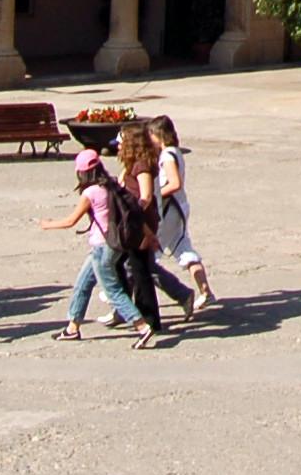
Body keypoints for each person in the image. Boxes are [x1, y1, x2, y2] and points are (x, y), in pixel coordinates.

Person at [41, 149, 156, 346]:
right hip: (114, 244)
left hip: (102, 248)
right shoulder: (111, 185)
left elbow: (71, 221)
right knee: (83, 284)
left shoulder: (90, 192)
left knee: (112, 289)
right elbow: (133, 210)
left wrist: (48, 224)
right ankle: (72, 327)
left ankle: (141, 326)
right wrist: (149, 234)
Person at [147, 115, 217, 315]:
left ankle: (129, 295)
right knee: (183, 248)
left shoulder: (167, 156)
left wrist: (156, 194)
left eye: (151, 134)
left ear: (158, 134)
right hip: (180, 206)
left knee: (150, 252)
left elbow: (175, 183)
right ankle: (205, 291)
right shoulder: (175, 152)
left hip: (170, 209)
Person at [112, 123, 167, 332]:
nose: (118, 145)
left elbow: (145, 196)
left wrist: (132, 211)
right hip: (132, 221)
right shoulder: (132, 163)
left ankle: (149, 318)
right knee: (130, 267)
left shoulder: (142, 164)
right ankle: (133, 312)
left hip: (140, 222)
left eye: (122, 141)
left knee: (140, 269)